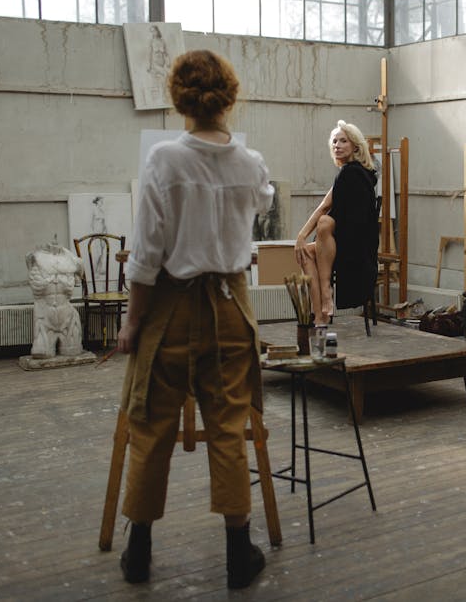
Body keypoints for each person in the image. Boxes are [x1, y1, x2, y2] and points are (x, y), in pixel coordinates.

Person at [115, 49, 274, 590]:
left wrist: (132, 323)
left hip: (172, 310)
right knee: (229, 428)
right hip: (231, 309)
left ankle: (138, 552)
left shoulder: (164, 159)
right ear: (229, 96)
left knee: (150, 426)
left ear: (178, 97)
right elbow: (263, 201)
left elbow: (146, 255)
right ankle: (237, 554)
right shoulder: (250, 164)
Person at [294, 120, 379, 325]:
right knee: (306, 250)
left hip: (356, 249)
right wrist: (301, 237)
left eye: (343, 141)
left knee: (324, 223)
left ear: (355, 146)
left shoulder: (352, 173)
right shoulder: (353, 172)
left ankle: (325, 294)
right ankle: (320, 315)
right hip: (340, 245)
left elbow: (326, 210)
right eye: (334, 141)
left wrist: (303, 236)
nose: (337, 145)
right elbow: (325, 204)